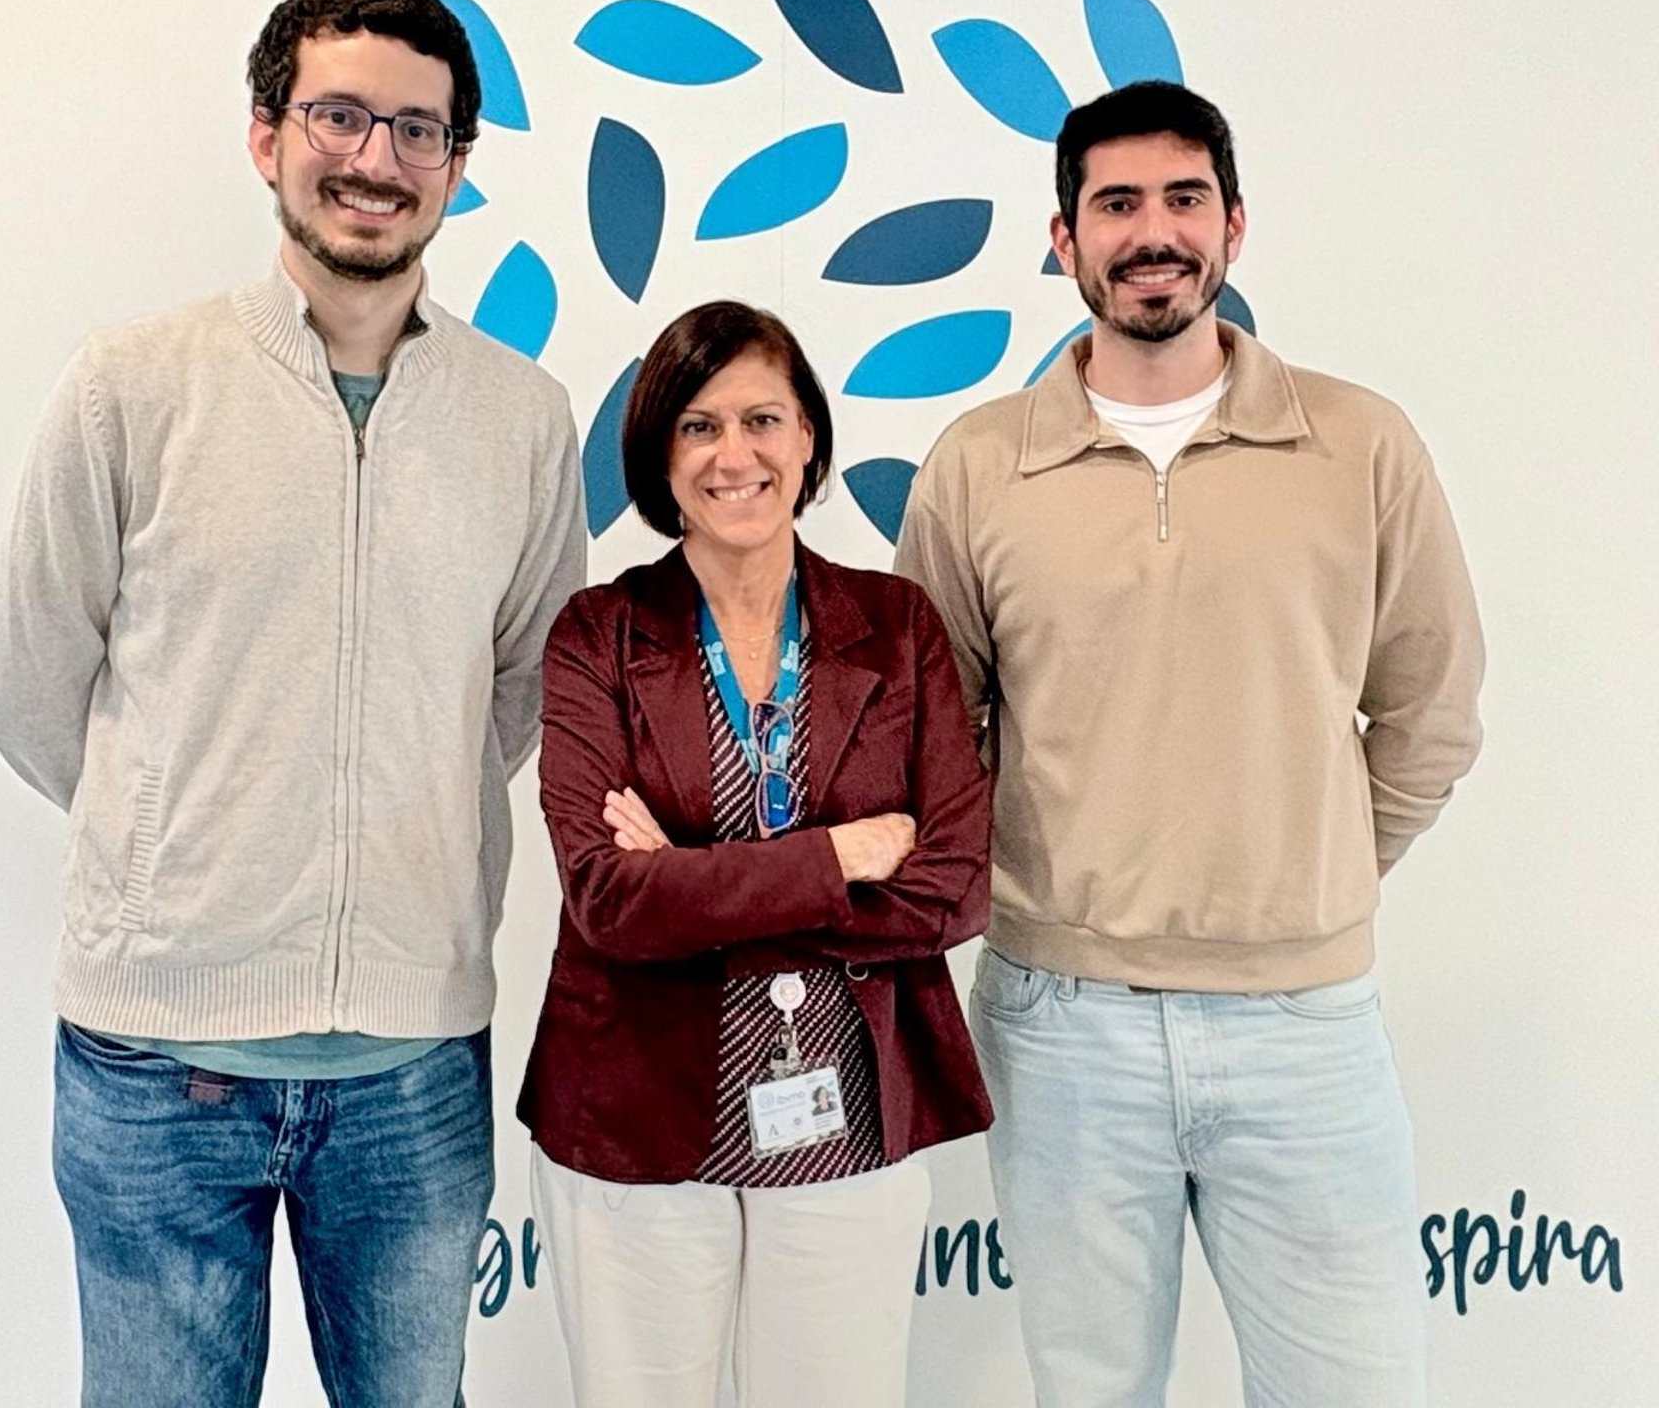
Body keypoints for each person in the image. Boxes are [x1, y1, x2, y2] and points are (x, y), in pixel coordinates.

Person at [0, 0, 586, 1408]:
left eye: (419, 130)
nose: (378, 159)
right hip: (155, 1066)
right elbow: (30, 684)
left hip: (412, 1064)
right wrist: (178, 843)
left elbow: (519, 688)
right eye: (340, 116)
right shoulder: (134, 386)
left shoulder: (521, 417)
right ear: (267, 136)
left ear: (456, 167)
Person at [895, 80, 1484, 1408]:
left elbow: (1432, 710)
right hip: (1061, 1025)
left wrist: (1317, 871)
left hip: (1306, 1024)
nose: (1151, 232)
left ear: (1233, 225)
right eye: (1116, 205)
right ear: (1065, 239)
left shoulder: (1360, 443)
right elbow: (936, 742)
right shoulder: (979, 466)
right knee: (1092, 1390)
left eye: (1182, 199)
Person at [519, 301, 993, 1408]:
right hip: (635, 1116)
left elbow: (954, 887)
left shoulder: (899, 625)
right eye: (699, 426)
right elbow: (610, 902)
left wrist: (693, 882)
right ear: (660, 456)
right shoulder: (596, 635)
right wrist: (839, 856)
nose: (734, 454)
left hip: (845, 1110)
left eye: (762, 420)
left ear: (809, 438)